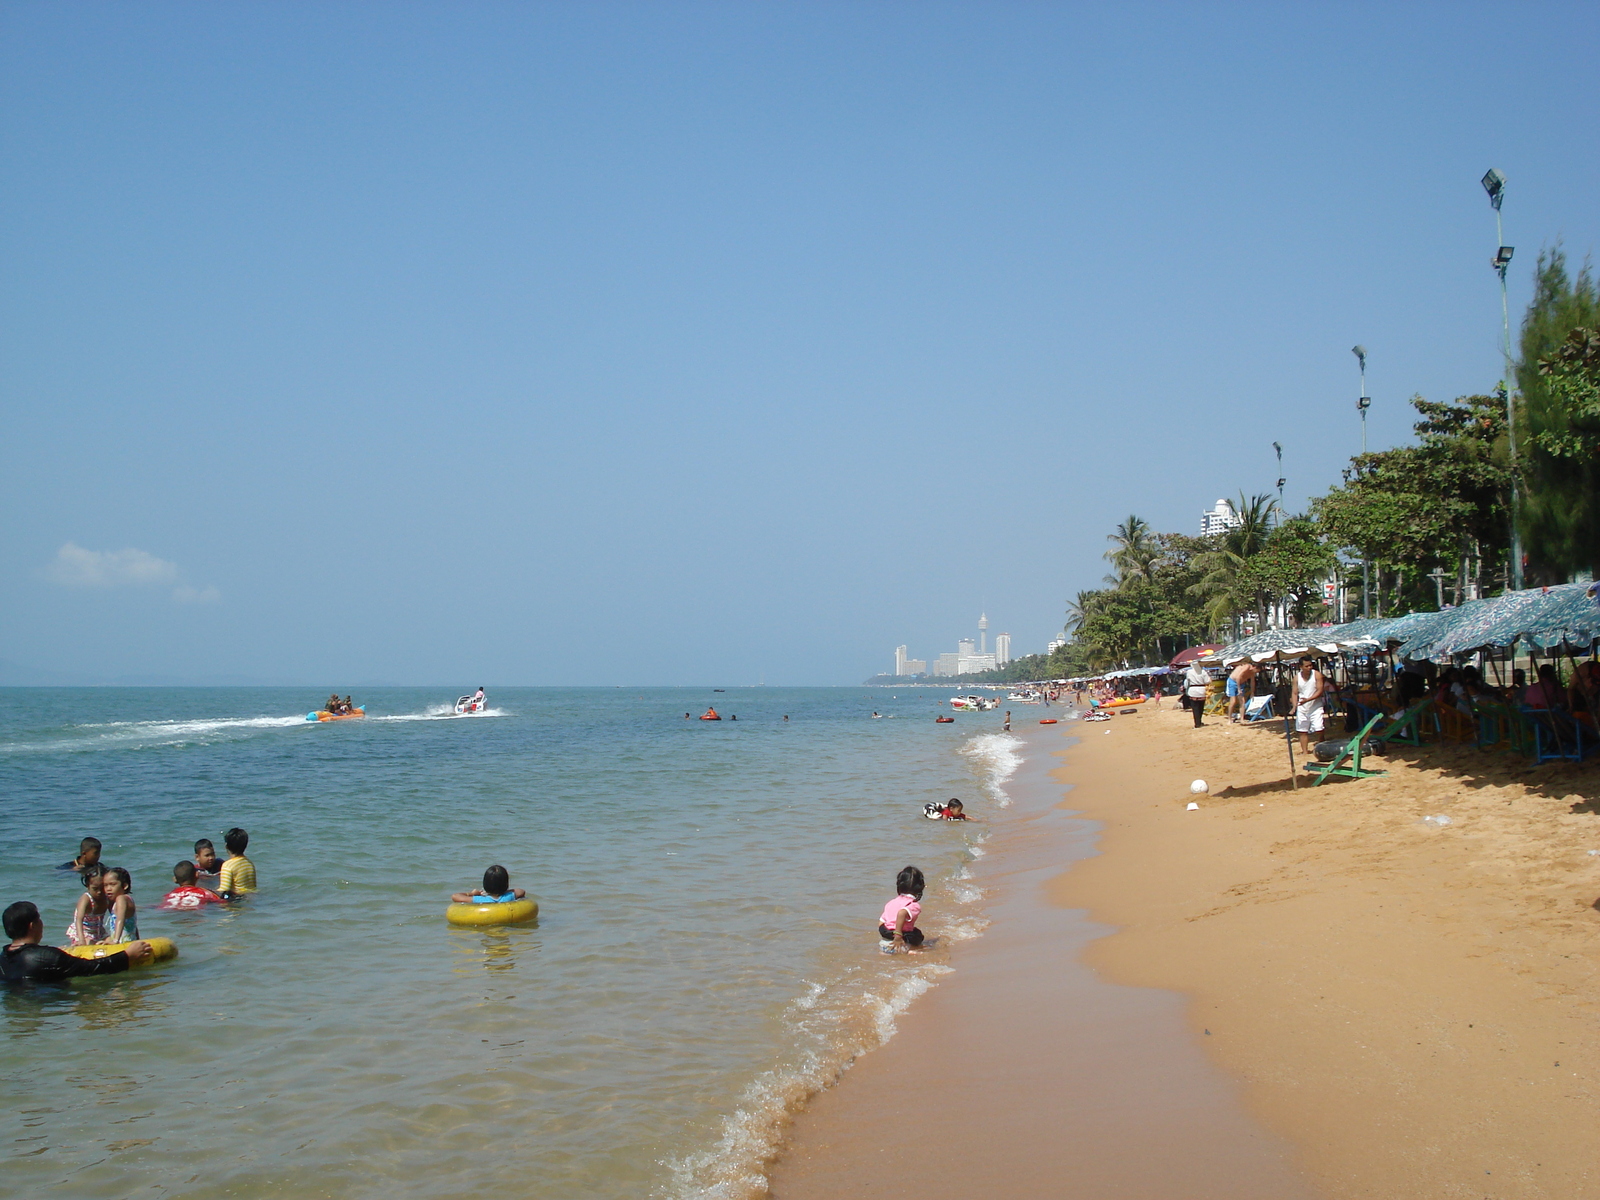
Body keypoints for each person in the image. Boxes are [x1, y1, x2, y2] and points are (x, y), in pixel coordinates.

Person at [3, 901, 150, 984]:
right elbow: (93, 968)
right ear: (32, 926)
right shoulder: (49, 957)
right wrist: (127, 955)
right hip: (52, 1007)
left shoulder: (3, 958)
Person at [879, 866, 926, 952]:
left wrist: (889, 935)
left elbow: (881, 922)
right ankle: (911, 950)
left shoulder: (891, 903)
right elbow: (902, 913)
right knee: (918, 934)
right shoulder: (913, 904)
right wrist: (898, 936)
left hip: (885, 942)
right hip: (901, 942)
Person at [66, 866, 110, 946]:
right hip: (83, 932)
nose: (99, 892)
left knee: (111, 940)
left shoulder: (106, 898)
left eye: (102, 888)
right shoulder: (86, 899)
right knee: (91, 944)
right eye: (95, 889)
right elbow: (78, 919)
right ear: (87, 885)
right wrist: (81, 939)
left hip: (99, 931)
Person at [1294, 658, 1328, 755]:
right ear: (1301, 667)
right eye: (1306, 666)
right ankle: (1305, 751)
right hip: (1302, 706)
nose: (1309, 668)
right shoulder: (1297, 678)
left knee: (1319, 728)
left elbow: (1319, 690)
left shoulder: (1316, 674)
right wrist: (1294, 705)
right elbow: (1294, 692)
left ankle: (1322, 743)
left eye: (1310, 665)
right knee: (1302, 730)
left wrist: (1308, 700)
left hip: (1315, 706)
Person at [158, 862, 226, 910]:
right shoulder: (205, 893)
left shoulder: (169, 896)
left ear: (175, 880)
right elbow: (222, 903)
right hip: (195, 916)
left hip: (174, 913)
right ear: (196, 875)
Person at [451, 864, 526, 904]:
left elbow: (455, 896)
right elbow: (521, 891)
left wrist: (471, 894)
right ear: (506, 883)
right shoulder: (509, 896)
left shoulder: (480, 899)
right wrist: (505, 891)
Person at [102, 867, 139, 943]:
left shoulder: (121, 899)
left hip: (124, 943)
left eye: (113, 884)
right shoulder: (126, 900)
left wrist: (115, 940)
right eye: (105, 885)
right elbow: (134, 926)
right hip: (128, 940)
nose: (108, 888)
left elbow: (120, 919)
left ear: (125, 886)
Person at [217, 828, 257, 896]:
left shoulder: (227, 865)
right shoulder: (249, 864)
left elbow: (224, 891)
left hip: (236, 901)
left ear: (226, 846)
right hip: (250, 900)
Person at [1184, 661, 1211, 728]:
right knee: (1201, 707)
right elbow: (1207, 681)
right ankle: (1199, 721)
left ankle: (1197, 723)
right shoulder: (1203, 672)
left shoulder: (1189, 672)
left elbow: (1188, 681)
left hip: (1193, 690)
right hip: (1202, 690)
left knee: (1195, 708)